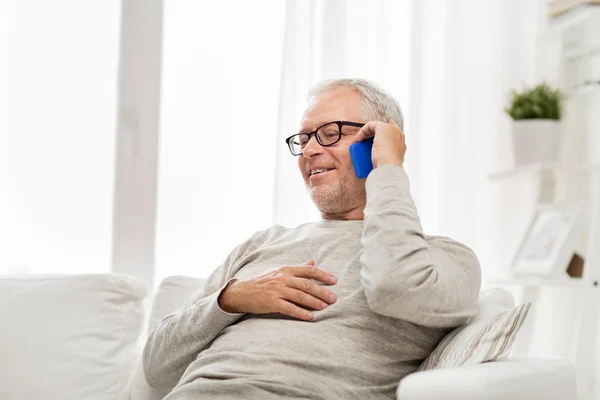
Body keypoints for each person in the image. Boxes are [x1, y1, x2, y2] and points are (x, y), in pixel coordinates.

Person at [143, 78, 482, 400]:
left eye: (329, 133)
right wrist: (232, 299)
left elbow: (394, 289)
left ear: (381, 138)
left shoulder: (445, 257)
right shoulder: (262, 244)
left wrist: (387, 169)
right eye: (303, 139)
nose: (309, 151)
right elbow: (156, 366)